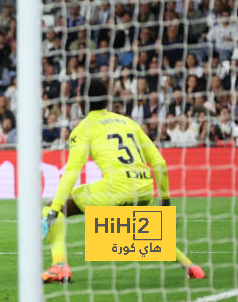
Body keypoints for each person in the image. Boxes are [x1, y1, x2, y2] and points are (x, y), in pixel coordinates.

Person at [41, 80, 205, 283]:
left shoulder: (83, 128)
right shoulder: (128, 122)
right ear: (106, 101)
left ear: (82, 103)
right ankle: (191, 266)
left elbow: (72, 172)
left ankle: (59, 266)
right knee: (128, 232)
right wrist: (165, 204)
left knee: (54, 207)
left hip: (116, 189)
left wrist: (54, 209)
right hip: (144, 189)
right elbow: (160, 163)